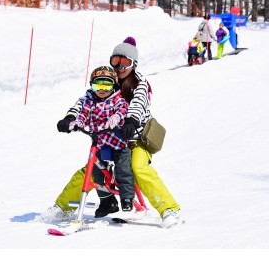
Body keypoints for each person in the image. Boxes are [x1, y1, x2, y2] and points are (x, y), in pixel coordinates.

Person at [40, 37, 181, 229]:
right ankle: (63, 207)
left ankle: (169, 209)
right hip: (111, 138)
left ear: (134, 64)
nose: (120, 67)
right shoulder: (106, 81)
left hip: (136, 138)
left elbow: (138, 104)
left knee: (137, 167)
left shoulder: (139, 83)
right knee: (89, 170)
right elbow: (84, 102)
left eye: (125, 62)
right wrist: (70, 117)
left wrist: (131, 120)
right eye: (116, 61)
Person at [68, 65, 135, 213]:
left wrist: (116, 118)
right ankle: (106, 201)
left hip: (118, 144)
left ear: (114, 85)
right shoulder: (90, 101)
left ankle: (127, 198)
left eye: (107, 85)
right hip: (99, 144)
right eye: (98, 84)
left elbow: (123, 109)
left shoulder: (118, 99)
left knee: (123, 170)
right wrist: (77, 123)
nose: (102, 89)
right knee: (96, 173)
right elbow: (83, 114)